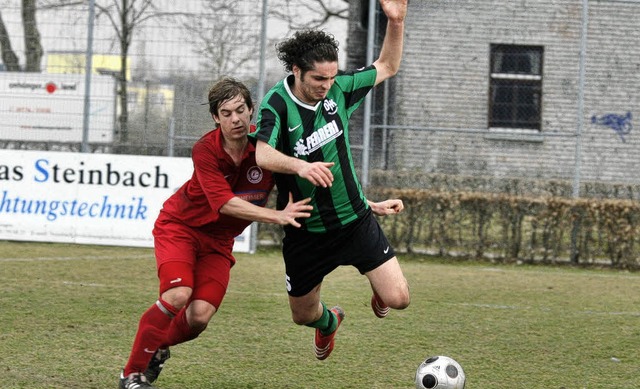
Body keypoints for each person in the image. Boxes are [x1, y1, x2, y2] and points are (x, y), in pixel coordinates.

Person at [119, 77, 313, 389]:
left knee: (199, 317)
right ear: (215, 117)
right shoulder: (205, 150)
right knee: (177, 295)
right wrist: (278, 216)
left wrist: (365, 204)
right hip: (180, 228)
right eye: (226, 113)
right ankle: (132, 374)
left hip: (218, 243)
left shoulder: (266, 148)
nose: (235, 119)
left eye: (240, 110)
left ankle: (154, 346)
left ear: (251, 111)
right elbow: (224, 204)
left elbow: (310, 181)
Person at [249, 0, 410, 361]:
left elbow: (387, 65)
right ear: (296, 71)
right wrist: (301, 166)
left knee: (398, 299)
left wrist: (396, 22)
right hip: (307, 231)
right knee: (302, 315)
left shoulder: (338, 90)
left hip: (354, 220)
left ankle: (378, 287)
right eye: (319, 79)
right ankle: (328, 323)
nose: (326, 86)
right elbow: (263, 154)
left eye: (331, 77)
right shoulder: (276, 104)